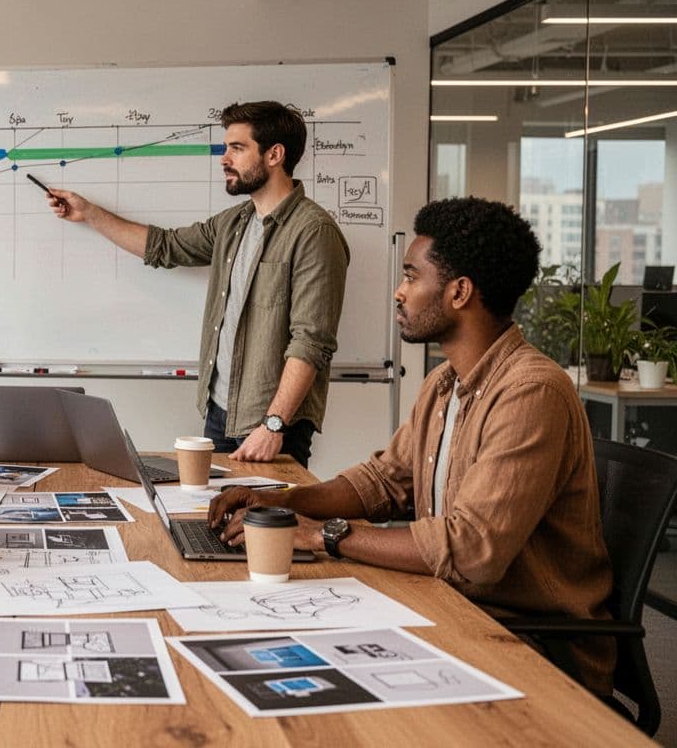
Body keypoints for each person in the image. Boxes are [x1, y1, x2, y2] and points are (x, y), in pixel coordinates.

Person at [208, 197, 613, 695]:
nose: (399, 293)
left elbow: (472, 552)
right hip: (450, 605)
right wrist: (282, 503)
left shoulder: (532, 392)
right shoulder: (447, 382)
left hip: (529, 643)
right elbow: (382, 482)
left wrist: (323, 535)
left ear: (460, 292)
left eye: (411, 277)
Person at [46, 101, 348, 467]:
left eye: (237, 148)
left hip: (272, 426)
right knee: (216, 521)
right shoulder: (235, 222)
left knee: (263, 525)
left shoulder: (314, 232)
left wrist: (273, 425)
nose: (224, 158)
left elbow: (311, 343)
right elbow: (166, 246)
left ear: (274, 155)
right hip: (219, 413)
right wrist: (89, 213)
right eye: (226, 148)